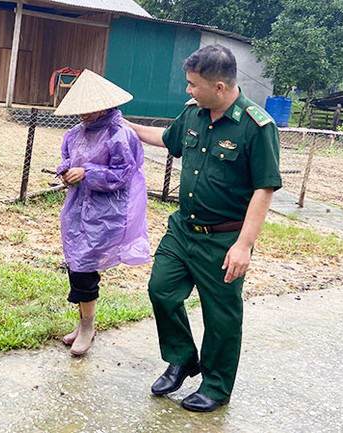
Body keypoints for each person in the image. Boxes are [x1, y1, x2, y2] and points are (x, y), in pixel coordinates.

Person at [125, 45, 282, 411]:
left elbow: (265, 189)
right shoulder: (194, 114)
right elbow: (166, 139)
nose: (188, 90)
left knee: (221, 316)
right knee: (161, 289)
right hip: (183, 230)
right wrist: (126, 126)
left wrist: (244, 245)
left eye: (194, 84)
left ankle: (215, 385)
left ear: (222, 87)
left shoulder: (257, 126)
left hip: (225, 237)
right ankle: (182, 358)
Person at [53, 69, 151, 356]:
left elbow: (122, 174)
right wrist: (67, 172)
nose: (84, 114)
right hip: (77, 210)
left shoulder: (120, 135)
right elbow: (68, 160)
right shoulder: (75, 134)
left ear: (105, 105)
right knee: (76, 266)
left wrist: (87, 172)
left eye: (89, 109)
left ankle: (87, 328)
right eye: (80, 109)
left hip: (106, 214)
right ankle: (83, 324)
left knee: (85, 270)